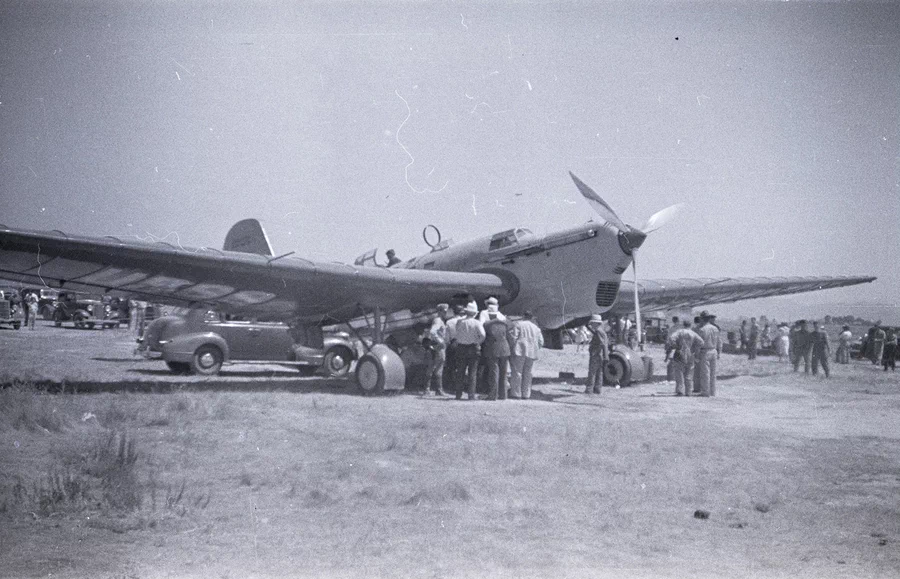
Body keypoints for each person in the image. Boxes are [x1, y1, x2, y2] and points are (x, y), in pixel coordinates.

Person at [453, 303, 485, 400]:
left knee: (460, 372)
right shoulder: (477, 323)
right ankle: (471, 395)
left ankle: (458, 394)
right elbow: (483, 335)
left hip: (461, 347)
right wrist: (478, 342)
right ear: (474, 313)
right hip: (473, 347)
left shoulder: (459, 322)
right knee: (472, 372)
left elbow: (456, 334)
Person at [508, 311, 543, 399]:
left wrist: (512, 347)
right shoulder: (536, 328)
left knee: (517, 372)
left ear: (523, 316)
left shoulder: (518, 325)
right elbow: (541, 342)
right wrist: (535, 347)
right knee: (528, 373)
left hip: (520, 350)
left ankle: (516, 393)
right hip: (532, 352)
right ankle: (526, 394)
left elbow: (513, 337)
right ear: (531, 318)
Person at [666, 320, 703, 396]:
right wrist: (695, 348)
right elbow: (701, 342)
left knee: (679, 372)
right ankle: (688, 391)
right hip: (690, 353)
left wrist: (676, 346)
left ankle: (680, 390)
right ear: (690, 325)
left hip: (679, 353)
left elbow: (671, 338)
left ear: (683, 325)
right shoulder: (693, 333)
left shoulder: (679, 332)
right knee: (689, 373)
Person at [481, 305, 510, 400]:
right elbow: (511, 325)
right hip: (505, 349)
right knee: (503, 372)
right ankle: (503, 394)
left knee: (494, 372)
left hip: (493, 349)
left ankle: (493, 395)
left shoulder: (487, 324)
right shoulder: (505, 323)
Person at [421, 304, 450, 396]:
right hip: (437, 345)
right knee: (438, 366)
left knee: (434, 366)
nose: (446, 313)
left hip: (435, 345)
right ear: (440, 311)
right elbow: (433, 332)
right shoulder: (438, 321)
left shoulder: (439, 320)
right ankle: (437, 389)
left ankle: (429, 388)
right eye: (444, 311)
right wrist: (440, 341)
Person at [697, 312, 722, 397]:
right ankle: (713, 392)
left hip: (705, 351)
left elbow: (699, 343)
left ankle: (705, 392)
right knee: (713, 373)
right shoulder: (715, 329)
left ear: (702, 319)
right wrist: (719, 352)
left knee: (705, 373)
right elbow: (719, 342)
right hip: (714, 351)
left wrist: (696, 354)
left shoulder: (702, 329)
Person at [584, 314, 609, 394]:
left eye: (592, 323)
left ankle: (589, 389)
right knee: (599, 372)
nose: (591, 325)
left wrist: (604, 355)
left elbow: (603, 344)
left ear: (596, 323)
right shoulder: (600, 331)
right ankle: (598, 389)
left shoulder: (598, 331)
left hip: (596, 354)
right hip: (599, 355)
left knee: (592, 372)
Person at [443, 304, 465, 391]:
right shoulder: (465, 321)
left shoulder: (449, 322)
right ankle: (460, 386)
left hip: (453, 343)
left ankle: (451, 386)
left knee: (451, 366)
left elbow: (447, 337)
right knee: (462, 366)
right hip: (463, 343)